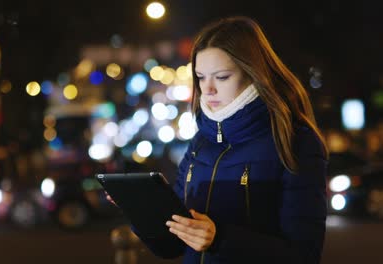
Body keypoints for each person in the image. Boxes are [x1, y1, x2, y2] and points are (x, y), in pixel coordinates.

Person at [109, 16, 328, 264]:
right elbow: (171, 247)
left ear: (253, 74)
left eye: (222, 77)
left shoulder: (294, 140)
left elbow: (304, 255)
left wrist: (220, 238)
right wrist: (140, 210)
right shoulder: (201, 141)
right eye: (201, 77)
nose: (208, 89)